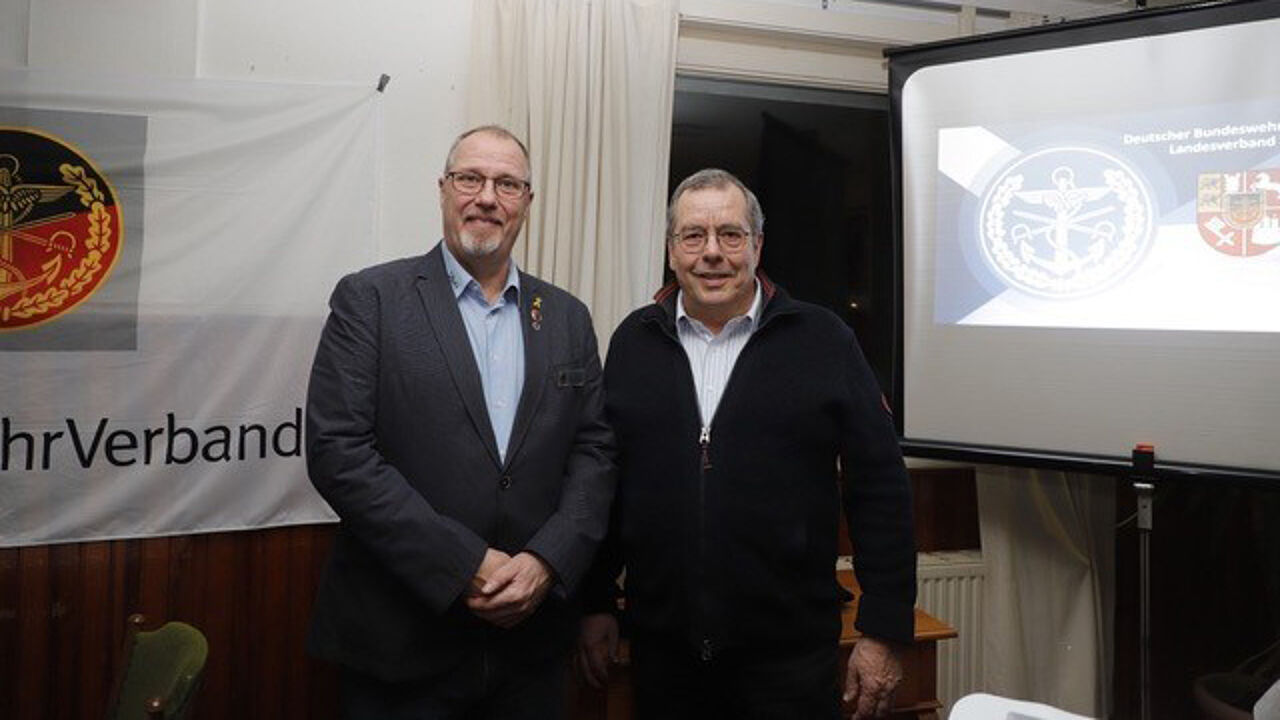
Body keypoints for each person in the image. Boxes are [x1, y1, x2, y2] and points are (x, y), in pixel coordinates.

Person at [577, 168, 916, 719]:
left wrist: (883, 628)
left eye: (730, 235)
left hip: (788, 661)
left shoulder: (824, 340)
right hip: (665, 657)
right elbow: (608, 483)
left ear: (757, 246)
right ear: (671, 250)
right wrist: (594, 602)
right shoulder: (633, 342)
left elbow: (879, 486)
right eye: (693, 236)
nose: (712, 252)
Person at [305, 125, 614, 719]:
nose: (487, 197)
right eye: (470, 178)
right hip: (402, 646)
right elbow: (338, 452)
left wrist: (548, 559)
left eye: (507, 183)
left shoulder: (568, 318)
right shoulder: (370, 299)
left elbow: (594, 454)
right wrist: (465, 562)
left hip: (533, 649)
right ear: (444, 189)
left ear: (527, 200)